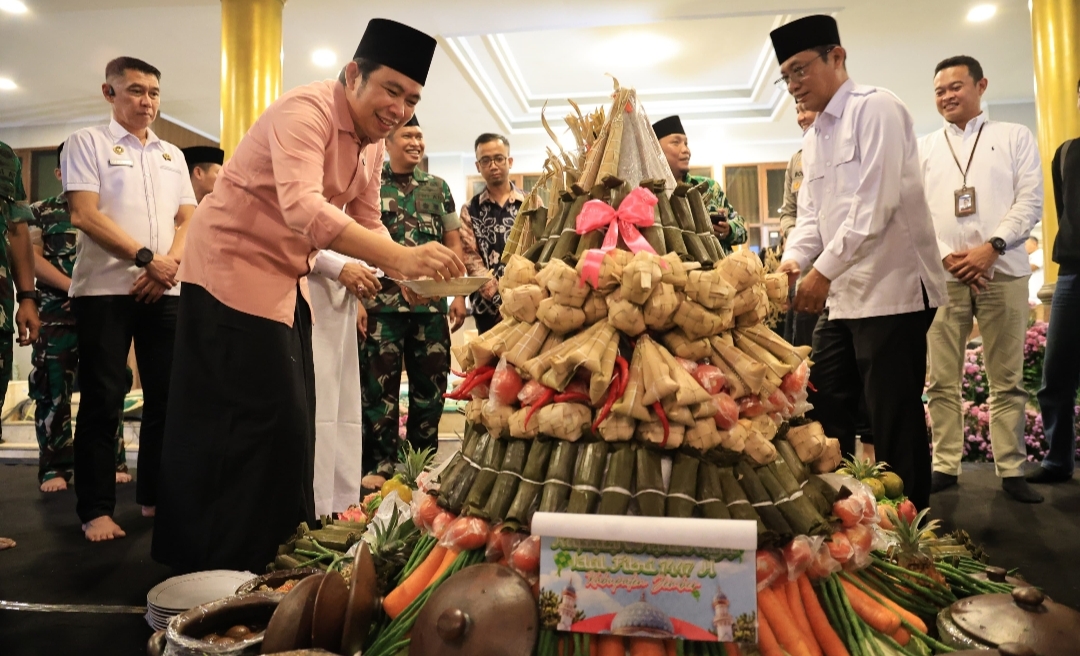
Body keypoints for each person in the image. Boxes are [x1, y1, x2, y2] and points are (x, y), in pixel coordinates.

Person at [153, 18, 464, 573]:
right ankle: (221, 558)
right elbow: (303, 208)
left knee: (289, 424)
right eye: (391, 90)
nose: (400, 108)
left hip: (280, 277)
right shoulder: (307, 110)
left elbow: (369, 222)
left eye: (411, 99)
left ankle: (272, 550)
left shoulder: (370, 147)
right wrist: (401, 260)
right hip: (228, 268)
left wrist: (412, 277)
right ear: (353, 75)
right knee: (255, 420)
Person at [771, 15, 947, 510]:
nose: (793, 85)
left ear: (837, 56)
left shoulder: (878, 109)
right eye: (785, 76)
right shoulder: (812, 138)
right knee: (824, 406)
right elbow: (811, 217)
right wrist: (793, 262)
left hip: (893, 291)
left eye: (801, 69)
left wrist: (822, 271)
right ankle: (850, 514)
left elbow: (876, 203)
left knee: (892, 418)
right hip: (844, 297)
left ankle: (910, 528)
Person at [62, 57, 195, 541]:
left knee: (167, 396)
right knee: (103, 397)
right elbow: (84, 214)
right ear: (109, 92)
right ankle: (96, 509)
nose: (147, 101)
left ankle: (154, 495)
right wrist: (146, 259)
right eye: (136, 91)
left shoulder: (171, 155)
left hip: (166, 286)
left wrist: (169, 266)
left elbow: (189, 218)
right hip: (106, 290)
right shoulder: (87, 143)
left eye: (154, 92)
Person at [919, 56, 1044, 503]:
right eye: (939, 91)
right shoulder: (925, 146)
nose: (947, 96)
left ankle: (1011, 469)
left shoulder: (1014, 136)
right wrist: (945, 258)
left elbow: (1031, 201)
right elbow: (914, 214)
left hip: (1003, 271)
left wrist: (990, 247)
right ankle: (944, 464)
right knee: (939, 380)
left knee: (1006, 378)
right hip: (943, 276)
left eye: (956, 86)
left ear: (980, 85)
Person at [359, 115, 467, 491]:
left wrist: (456, 294)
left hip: (429, 309)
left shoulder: (439, 188)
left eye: (420, 135)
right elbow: (357, 242)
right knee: (377, 392)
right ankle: (380, 466)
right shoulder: (371, 184)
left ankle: (420, 468)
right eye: (407, 134)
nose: (416, 142)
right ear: (387, 141)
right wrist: (357, 299)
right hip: (381, 306)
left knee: (431, 390)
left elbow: (454, 242)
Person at [29, 142, 130, 493]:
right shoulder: (39, 212)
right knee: (53, 389)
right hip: (58, 316)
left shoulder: (110, 212)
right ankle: (54, 468)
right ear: (60, 173)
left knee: (108, 389)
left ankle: (113, 460)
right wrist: (75, 287)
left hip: (104, 316)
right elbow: (32, 260)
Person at [1028, 77, 1080, 486]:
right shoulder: (1065, 153)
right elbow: (1065, 212)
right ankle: (1058, 459)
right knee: (1056, 373)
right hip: (1072, 274)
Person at [651, 115, 747, 254]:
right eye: (676, 143)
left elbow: (742, 229)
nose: (686, 150)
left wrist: (729, 229)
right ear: (656, 151)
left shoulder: (709, 187)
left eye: (686, 144)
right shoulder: (650, 194)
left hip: (718, 271)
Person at [459, 133, 523, 334]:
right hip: (487, 309)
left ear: (509, 161)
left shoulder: (531, 204)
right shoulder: (470, 209)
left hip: (527, 302)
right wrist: (498, 299)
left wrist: (517, 299)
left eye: (499, 158)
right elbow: (470, 258)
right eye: (485, 160)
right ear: (478, 166)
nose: (493, 165)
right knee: (489, 363)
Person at [781, 102, 820, 348]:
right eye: (797, 111)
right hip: (804, 271)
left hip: (840, 272)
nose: (801, 117)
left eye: (806, 108)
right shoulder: (796, 161)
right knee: (805, 344)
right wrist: (796, 237)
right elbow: (788, 212)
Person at [1027, 236, 1044, 304]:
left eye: (1025, 244)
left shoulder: (1040, 253)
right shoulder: (1028, 256)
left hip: (1037, 295)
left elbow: (1033, 267)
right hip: (1030, 296)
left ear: (1034, 244)